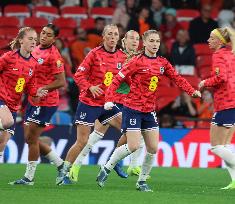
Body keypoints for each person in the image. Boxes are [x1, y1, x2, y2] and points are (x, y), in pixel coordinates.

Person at [96, 29, 201, 192]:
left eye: (157, 41)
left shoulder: (163, 63)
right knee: (133, 145)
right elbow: (116, 81)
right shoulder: (135, 62)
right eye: (151, 41)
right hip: (132, 108)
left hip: (149, 110)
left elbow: (177, 78)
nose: (155, 44)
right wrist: (109, 99)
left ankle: (142, 181)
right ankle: (107, 167)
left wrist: (191, 91)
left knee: (153, 148)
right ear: (144, 43)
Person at [67, 30, 146, 183]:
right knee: (95, 137)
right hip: (111, 101)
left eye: (137, 39)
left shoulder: (136, 59)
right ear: (124, 41)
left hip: (123, 102)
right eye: (131, 39)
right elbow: (111, 80)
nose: (135, 42)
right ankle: (77, 167)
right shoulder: (120, 57)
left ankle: (121, 163)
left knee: (122, 133)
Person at [57, 24, 128, 185]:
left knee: (130, 131)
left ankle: (113, 163)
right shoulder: (94, 54)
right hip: (89, 102)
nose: (112, 37)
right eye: (109, 34)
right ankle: (64, 172)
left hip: (108, 104)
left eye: (115, 34)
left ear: (118, 37)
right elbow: (78, 75)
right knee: (82, 141)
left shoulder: (122, 57)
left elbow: (126, 81)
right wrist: (90, 86)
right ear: (103, 37)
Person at [9, 24, 66, 185]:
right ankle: (60, 164)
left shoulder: (54, 55)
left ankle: (29, 177)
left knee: (31, 138)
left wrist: (43, 88)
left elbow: (61, 81)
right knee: (30, 138)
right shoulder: (35, 49)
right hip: (32, 100)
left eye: (48, 35)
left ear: (54, 39)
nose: (43, 36)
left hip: (46, 102)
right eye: (43, 33)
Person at [0, 27, 47, 163]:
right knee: (8, 121)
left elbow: (30, 85)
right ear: (21, 40)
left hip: (14, 105)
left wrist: (36, 92)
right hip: (1, 98)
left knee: (3, 142)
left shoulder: (34, 63)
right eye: (30, 39)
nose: (34, 42)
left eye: (35, 40)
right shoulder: (9, 57)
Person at [198, 27, 235, 189]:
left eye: (211, 38)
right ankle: (234, 181)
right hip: (232, 102)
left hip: (225, 103)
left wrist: (205, 83)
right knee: (225, 145)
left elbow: (221, 77)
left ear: (219, 41)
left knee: (216, 146)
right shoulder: (231, 54)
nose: (208, 40)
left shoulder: (219, 55)